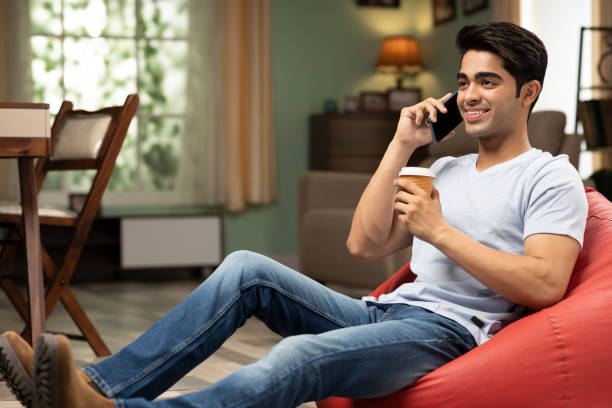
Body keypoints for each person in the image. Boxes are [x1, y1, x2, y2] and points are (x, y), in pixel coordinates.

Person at [0, 21, 587, 408]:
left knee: (296, 357)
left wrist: (438, 232)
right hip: (380, 313)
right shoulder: (446, 169)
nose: (469, 95)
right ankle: (94, 389)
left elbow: (544, 284)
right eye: (463, 82)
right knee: (245, 268)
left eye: (488, 81)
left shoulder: (549, 174)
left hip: (445, 335)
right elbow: (364, 246)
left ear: (527, 92)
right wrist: (403, 143)